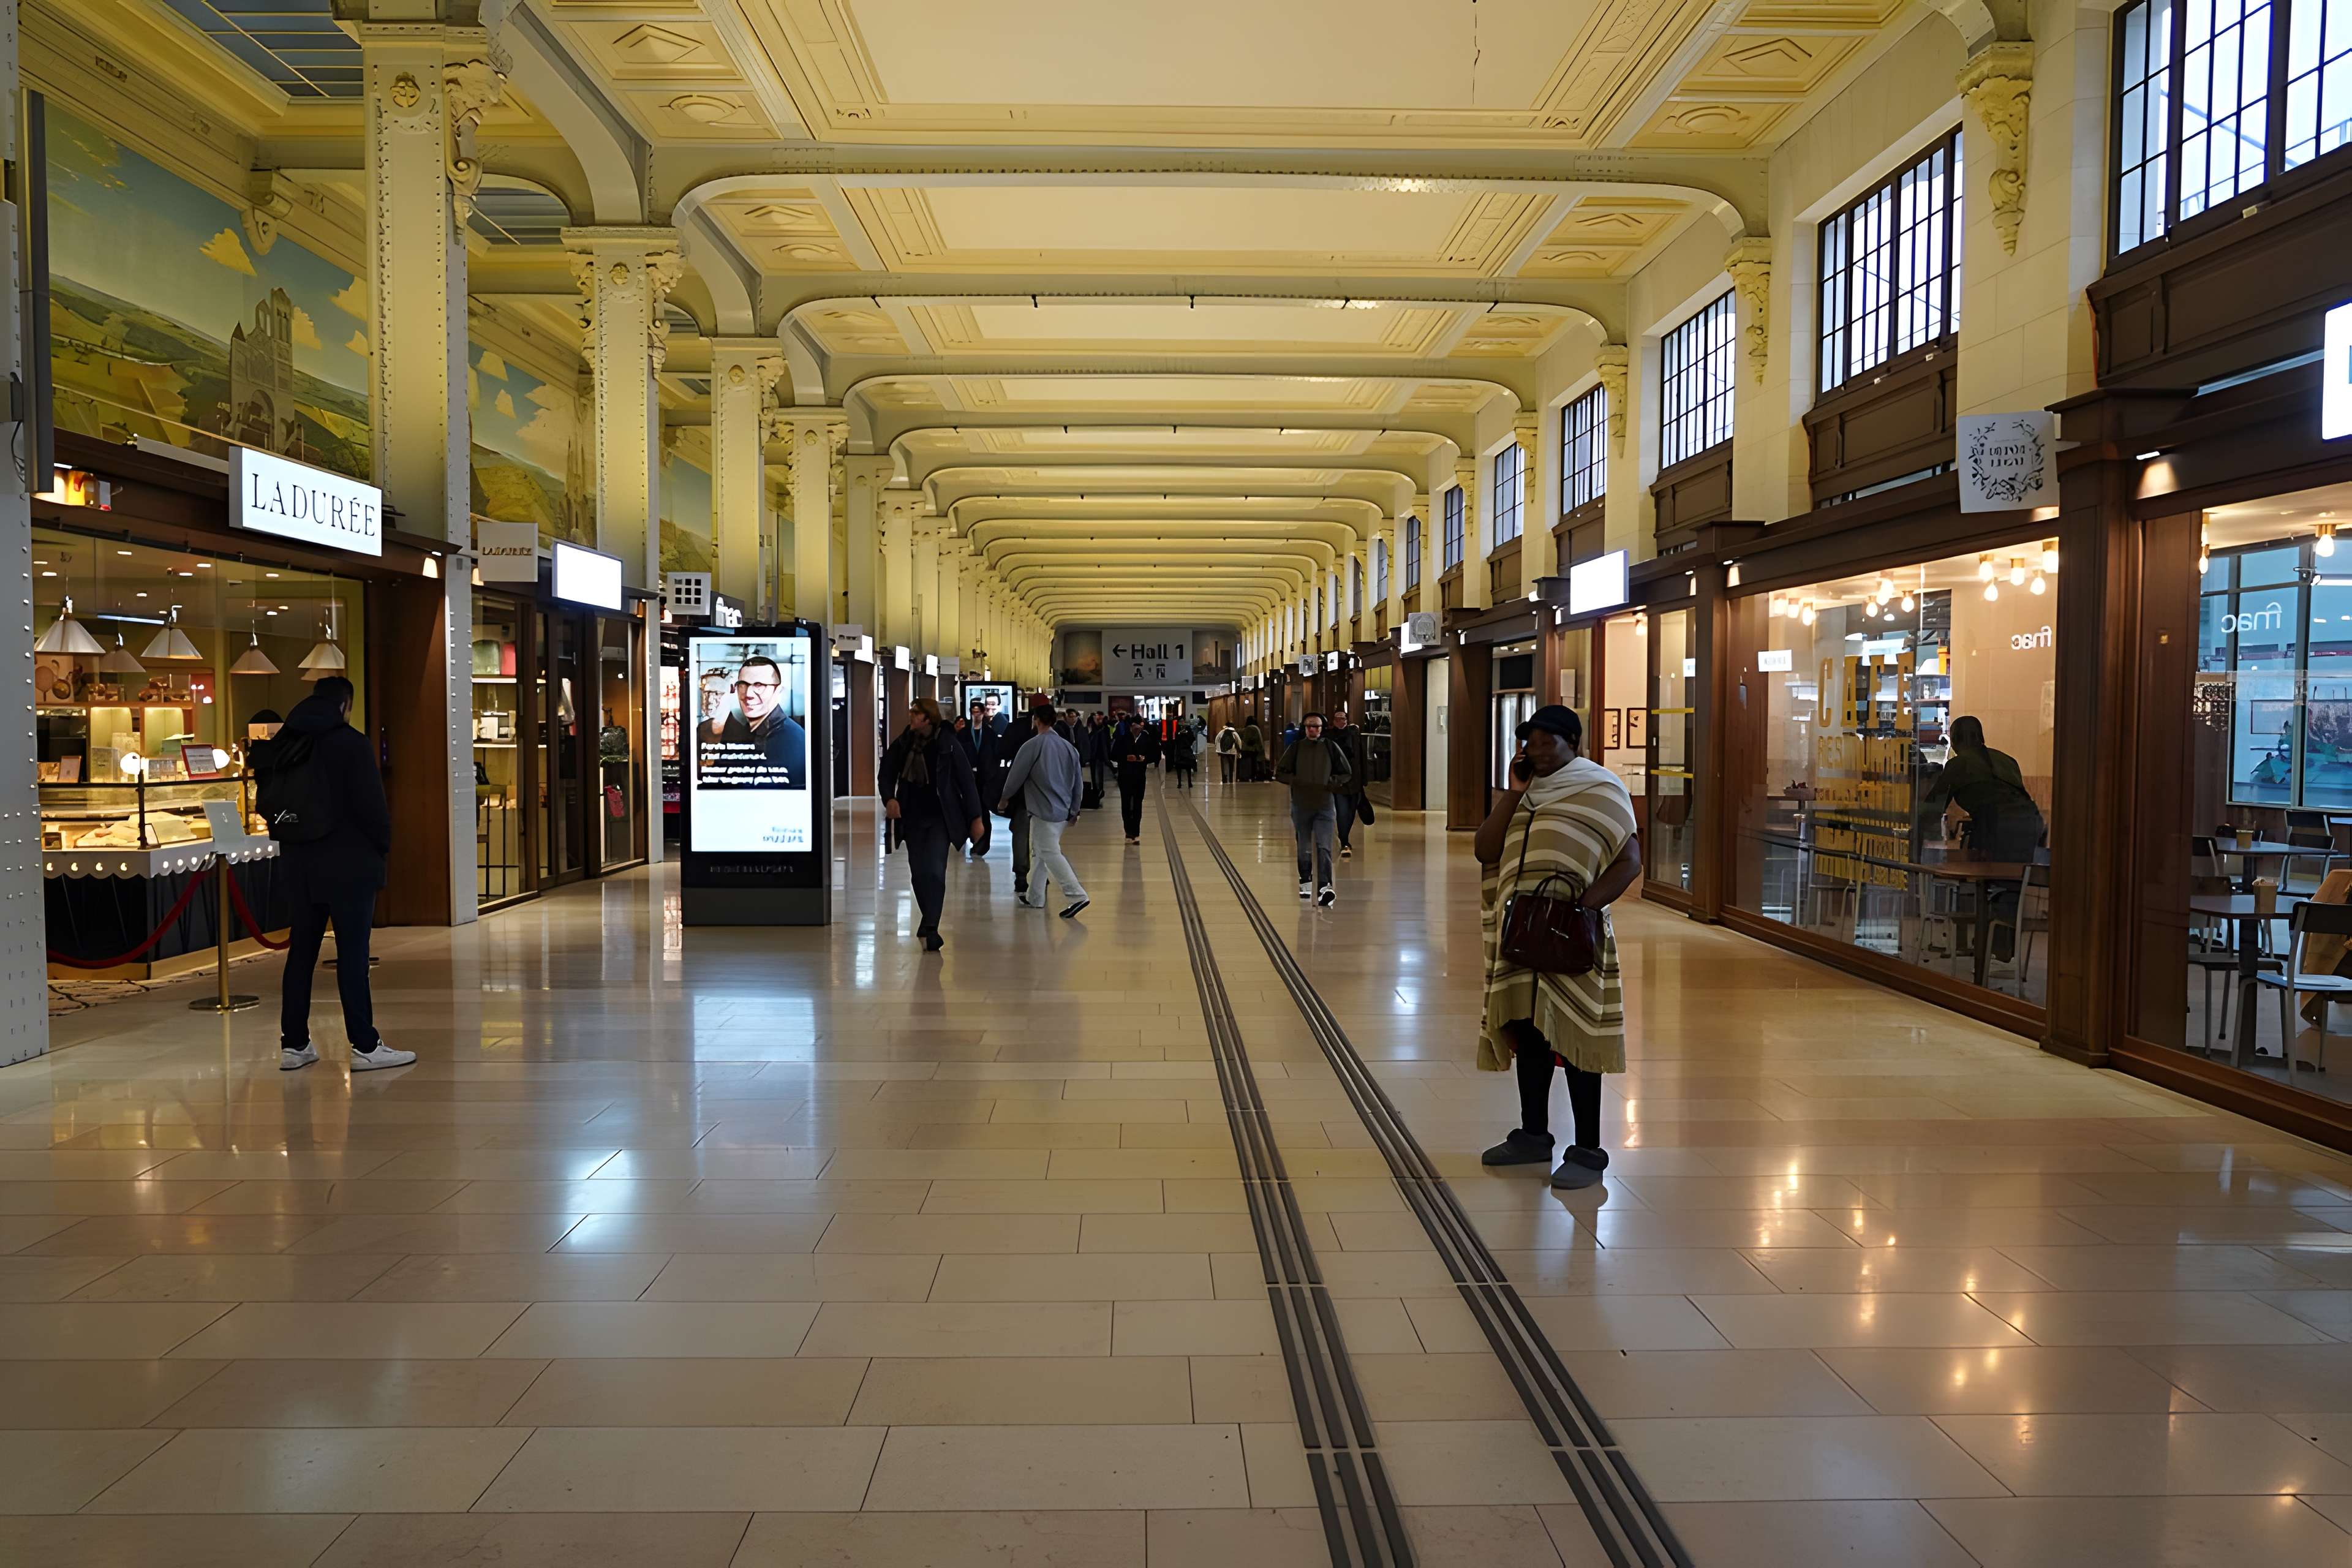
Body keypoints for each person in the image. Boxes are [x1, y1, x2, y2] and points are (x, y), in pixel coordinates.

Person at [1474, 705, 1640, 1191]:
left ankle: (1588, 1150)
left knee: (1577, 1038)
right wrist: (1515, 792)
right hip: (1524, 931)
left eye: (1550, 742)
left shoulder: (1601, 788)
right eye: (1531, 742)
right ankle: (1533, 1135)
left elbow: (1629, 861)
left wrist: (1583, 910)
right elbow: (1486, 849)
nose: (1538, 751)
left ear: (1574, 744)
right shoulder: (1526, 793)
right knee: (1530, 1034)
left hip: (1573, 932)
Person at [255, 675, 415, 1073]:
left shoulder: (286, 743)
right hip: (349, 865)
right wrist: (381, 848)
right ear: (346, 705)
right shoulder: (350, 743)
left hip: (299, 863)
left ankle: (294, 1045)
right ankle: (365, 1045)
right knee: (353, 955)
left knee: (302, 953)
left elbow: (270, 801)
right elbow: (372, 808)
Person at [1919, 714, 2047, 959]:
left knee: (1986, 881)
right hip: (2032, 823)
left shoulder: (1958, 764)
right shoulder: (2007, 760)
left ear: (1954, 742)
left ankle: (1986, 946)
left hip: (2000, 826)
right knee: (2010, 886)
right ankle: (1998, 946)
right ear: (1982, 737)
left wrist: (1913, 835)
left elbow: (1932, 809)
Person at [879, 696, 986, 953]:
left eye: (916, 713)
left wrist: (976, 818)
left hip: (941, 818)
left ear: (928, 718)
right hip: (912, 817)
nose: (911, 717)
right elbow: (886, 772)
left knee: (936, 871)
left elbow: (966, 782)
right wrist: (890, 799)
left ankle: (932, 927)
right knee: (919, 873)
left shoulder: (947, 744)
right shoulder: (905, 743)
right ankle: (928, 917)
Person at [999, 705, 1089, 918]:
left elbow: (1016, 775)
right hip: (1063, 811)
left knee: (1048, 851)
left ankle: (1077, 895)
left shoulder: (1033, 745)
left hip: (1043, 810)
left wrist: (1004, 798)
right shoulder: (1068, 747)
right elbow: (1079, 782)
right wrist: (1075, 809)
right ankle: (1035, 896)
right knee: (1040, 852)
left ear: (1036, 720)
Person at [1276, 711, 1352, 907]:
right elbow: (1281, 773)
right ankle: (1305, 880)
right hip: (1302, 805)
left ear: (1322, 729)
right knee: (1304, 848)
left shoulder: (1330, 748)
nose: (1313, 729)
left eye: (1317, 726)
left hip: (1325, 805)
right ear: (1304, 728)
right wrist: (1297, 782)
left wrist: (1331, 784)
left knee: (1324, 847)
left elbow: (1346, 772)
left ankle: (1325, 887)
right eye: (1309, 726)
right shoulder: (1296, 748)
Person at [979, 703, 1043, 895]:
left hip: (1022, 792)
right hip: (1043, 794)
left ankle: (1021, 875)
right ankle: (1040, 875)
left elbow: (1003, 754)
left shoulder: (1015, 729)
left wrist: (1005, 796)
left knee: (1021, 831)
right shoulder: (1055, 735)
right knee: (1043, 836)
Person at [729, 656, 806, 778]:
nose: (748, 694)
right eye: (743, 685)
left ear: (778, 691)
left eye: (759, 685)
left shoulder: (790, 739)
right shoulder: (745, 730)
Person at [1112, 710, 1159, 843]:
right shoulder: (1123, 739)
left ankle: (1136, 832)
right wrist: (1126, 758)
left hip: (1139, 777)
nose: (1137, 731)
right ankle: (1128, 831)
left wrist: (1145, 759)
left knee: (1138, 804)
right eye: (1135, 728)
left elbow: (1156, 755)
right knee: (1126, 805)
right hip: (1125, 776)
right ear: (1131, 727)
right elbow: (1113, 755)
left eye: (1139, 728)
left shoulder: (1147, 739)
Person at [1327, 707, 1368, 858]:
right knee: (1343, 811)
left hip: (1355, 781)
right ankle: (1345, 841)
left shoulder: (1354, 736)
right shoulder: (1329, 737)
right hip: (1339, 782)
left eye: (1343, 719)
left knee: (1351, 812)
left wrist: (1364, 779)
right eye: (1338, 719)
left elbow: (1362, 758)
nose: (1341, 721)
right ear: (1334, 721)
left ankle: (1345, 837)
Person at [693, 670, 734, 748]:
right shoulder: (701, 729)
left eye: (717, 694)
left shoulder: (739, 726)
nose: (710, 699)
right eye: (705, 693)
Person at [1164, 720, 1196, 790]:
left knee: (1182, 768)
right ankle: (1187, 783)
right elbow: (1192, 740)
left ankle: (1181, 783)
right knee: (1188, 768)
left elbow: (1176, 741)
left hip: (1181, 754)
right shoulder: (1182, 733)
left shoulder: (1180, 733)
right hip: (1186, 753)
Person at [1239, 715, 1267, 782]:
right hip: (1258, 750)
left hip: (1254, 750)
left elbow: (1247, 740)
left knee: (1243, 758)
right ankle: (1254, 775)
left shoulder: (1250, 728)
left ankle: (1246, 775)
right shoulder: (1256, 727)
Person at [1216, 720, 1241, 784]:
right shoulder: (1234, 733)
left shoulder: (1222, 732)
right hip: (1232, 752)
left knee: (1224, 765)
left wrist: (1218, 749)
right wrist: (1239, 751)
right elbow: (1239, 742)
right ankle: (1231, 779)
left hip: (1223, 752)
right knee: (1232, 765)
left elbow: (1217, 740)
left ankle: (1225, 778)